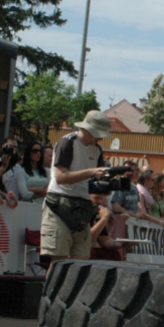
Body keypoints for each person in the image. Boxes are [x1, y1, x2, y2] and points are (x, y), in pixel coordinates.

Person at [40, 111, 111, 262]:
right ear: (86, 129)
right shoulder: (67, 142)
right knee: (59, 262)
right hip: (58, 204)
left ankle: (73, 286)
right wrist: (92, 172)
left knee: (81, 263)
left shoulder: (97, 149)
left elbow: (94, 181)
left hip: (83, 206)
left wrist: (108, 184)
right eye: (98, 134)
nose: (100, 138)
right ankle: (52, 287)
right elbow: (60, 177)